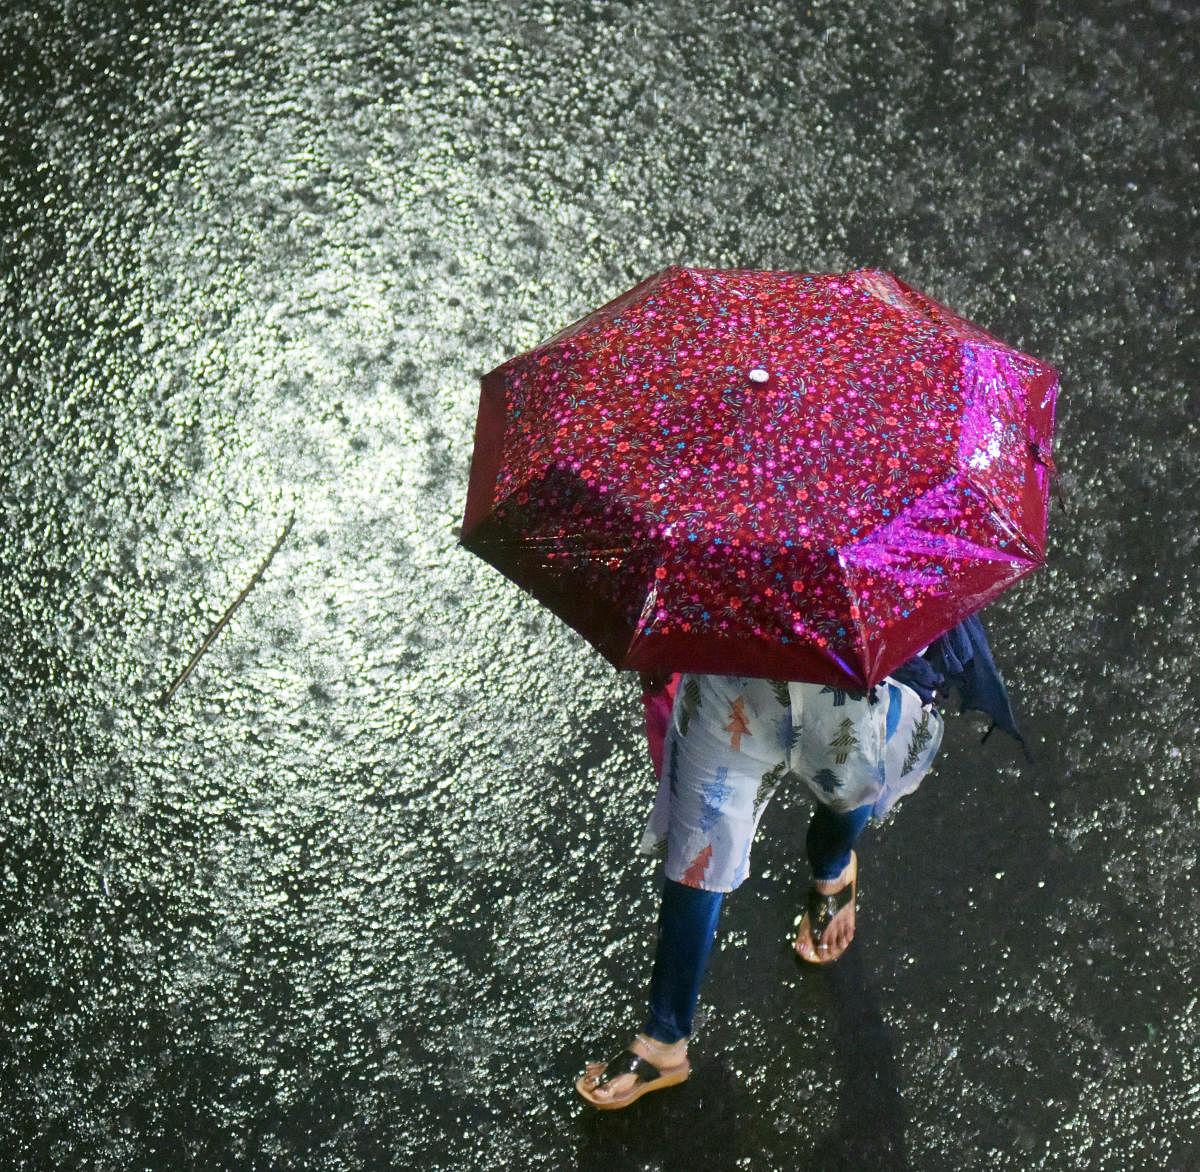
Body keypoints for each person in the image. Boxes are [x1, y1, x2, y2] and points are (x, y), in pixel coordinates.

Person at [576, 614, 1022, 1109]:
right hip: (730, 670)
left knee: (847, 795)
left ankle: (832, 870)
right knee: (695, 856)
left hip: (854, 676)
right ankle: (664, 1039)